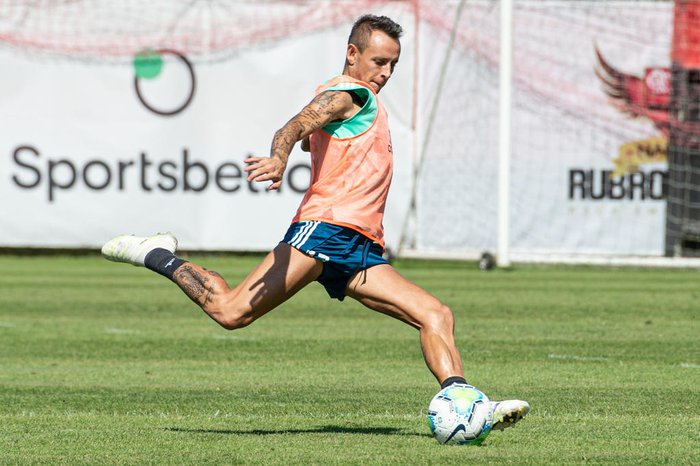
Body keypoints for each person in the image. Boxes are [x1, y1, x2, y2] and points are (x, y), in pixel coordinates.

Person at [102, 14, 529, 431]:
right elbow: (298, 125)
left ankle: (466, 403)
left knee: (435, 314)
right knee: (230, 313)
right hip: (323, 230)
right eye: (379, 61)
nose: (386, 73)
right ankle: (156, 253)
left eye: (393, 64)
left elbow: (315, 132)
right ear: (352, 54)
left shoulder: (353, 101)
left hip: (360, 246)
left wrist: (312, 141)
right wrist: (279, 156)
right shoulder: (351, 92)